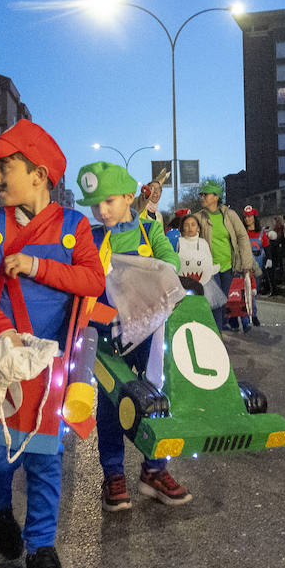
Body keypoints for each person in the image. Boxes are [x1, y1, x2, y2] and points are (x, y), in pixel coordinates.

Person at [0, 120, 105, 568]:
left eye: (6, 168)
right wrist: (3, 332)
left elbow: (93, 281)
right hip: (0, 360)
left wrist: (39, 266)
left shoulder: (74, 225)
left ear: (39, 175)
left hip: (52, 361)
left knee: (46, 455)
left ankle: (41, 550)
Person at [75, 160, 191, 513]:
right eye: (95, 204)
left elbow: (169, 262)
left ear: (129, 197)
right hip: (106, 335)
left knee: (159, 396)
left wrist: (155, 274)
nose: (101, 210)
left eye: (108, 201)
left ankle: (155, 469)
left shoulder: (150, 231)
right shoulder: (91, 237)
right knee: (113, 403)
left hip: (150, 333)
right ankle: (113, 473)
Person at [193, 181, 256, 331]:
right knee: (215, 301)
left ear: (216, 197)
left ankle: (218, 328)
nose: (202, 197)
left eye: (205, 194)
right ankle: (217, 332)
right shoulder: (198, 217)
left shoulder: (229, 215)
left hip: (228, 266)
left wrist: (246, 264)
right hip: (209, 268)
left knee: (224, 301)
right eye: (201, 195)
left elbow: (242, 237)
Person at [242, 206, 270, 313]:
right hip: (246, 264)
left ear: (254, 217)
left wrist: (269, 259)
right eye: (246, 217)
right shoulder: (242, 232)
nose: (247, 219)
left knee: (254, 289)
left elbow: (267, 247)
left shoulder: (261, 233)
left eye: (249, 216)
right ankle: (251, 313)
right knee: (246, 289)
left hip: (258, 263)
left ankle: (252, 310)